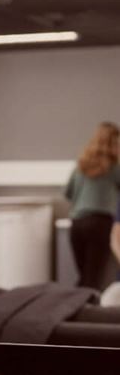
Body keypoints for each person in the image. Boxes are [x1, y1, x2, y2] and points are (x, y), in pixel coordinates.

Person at [64, 120, 120, 289]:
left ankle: (75, 308)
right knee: (93, 279)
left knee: (84, 277)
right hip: (99, 223)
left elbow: (67, 192)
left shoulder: (80, 165)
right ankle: (88, 313)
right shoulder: (114, 167)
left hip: (77, 224)